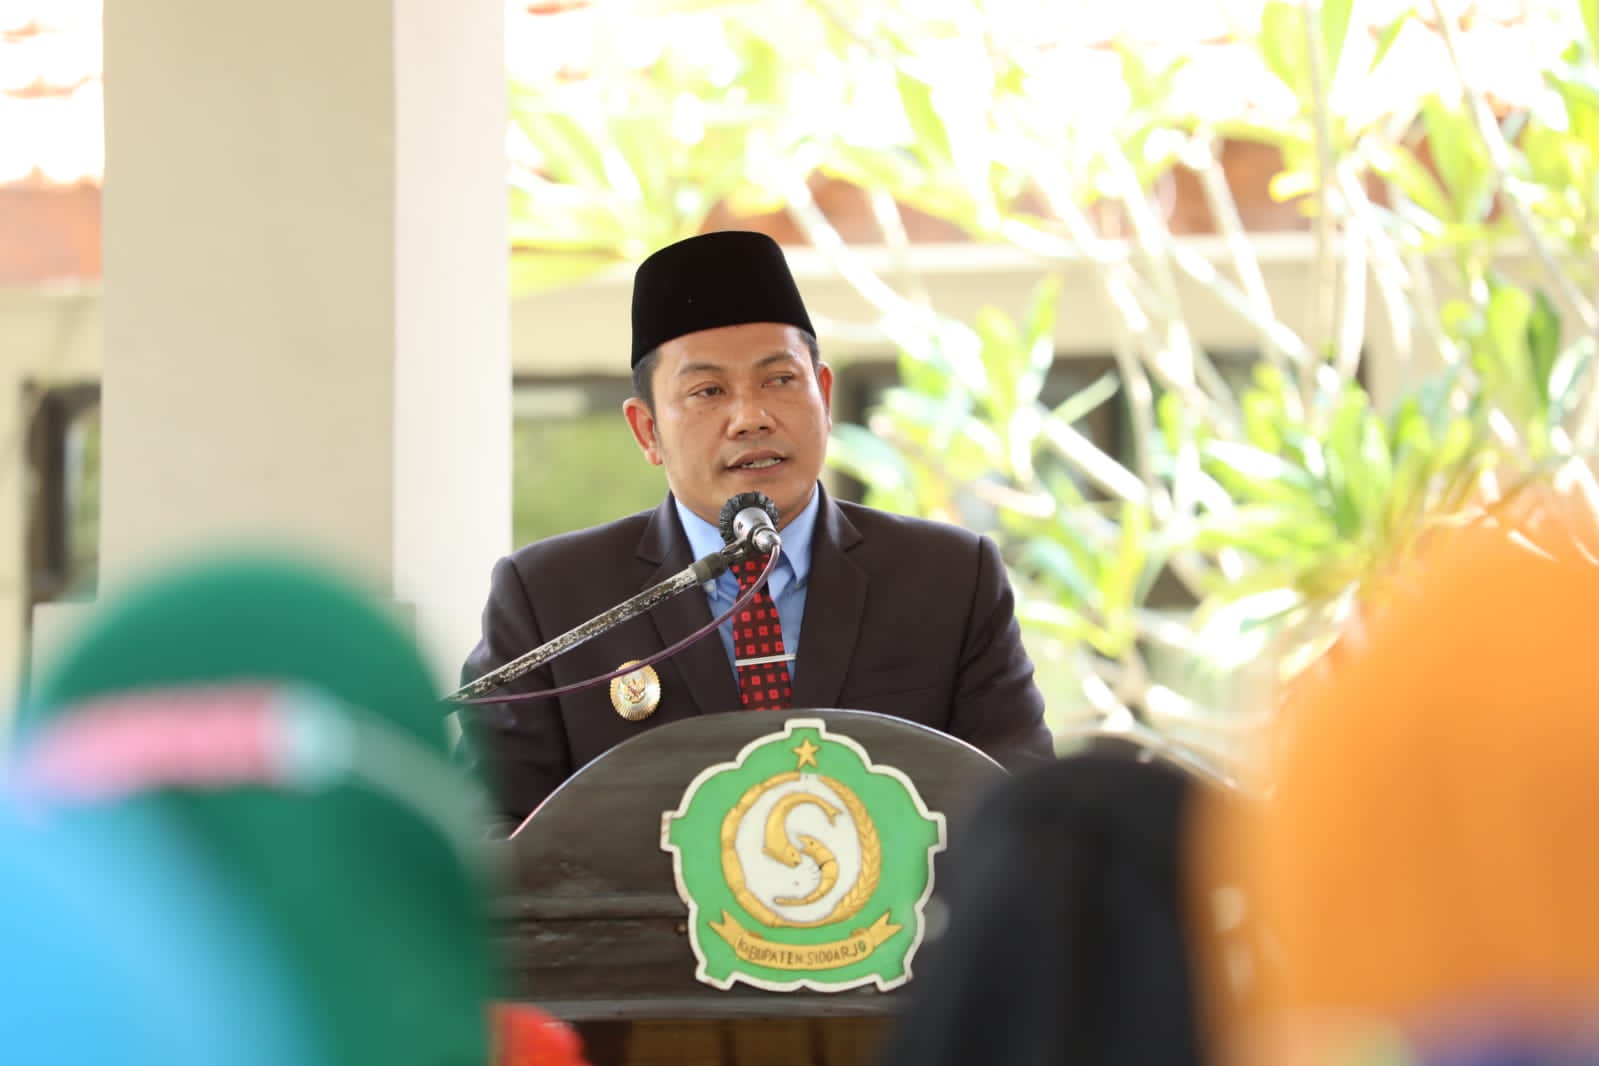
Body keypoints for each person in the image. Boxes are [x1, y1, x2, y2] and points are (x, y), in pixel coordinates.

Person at [458, 229, 1053, 824]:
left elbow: (1028, 818)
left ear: (823, 394)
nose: (750, 418)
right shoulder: (551, 599)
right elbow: (485, 831)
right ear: (647, 431)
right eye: (708, 391)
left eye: (780, 380)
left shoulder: (950, 580)